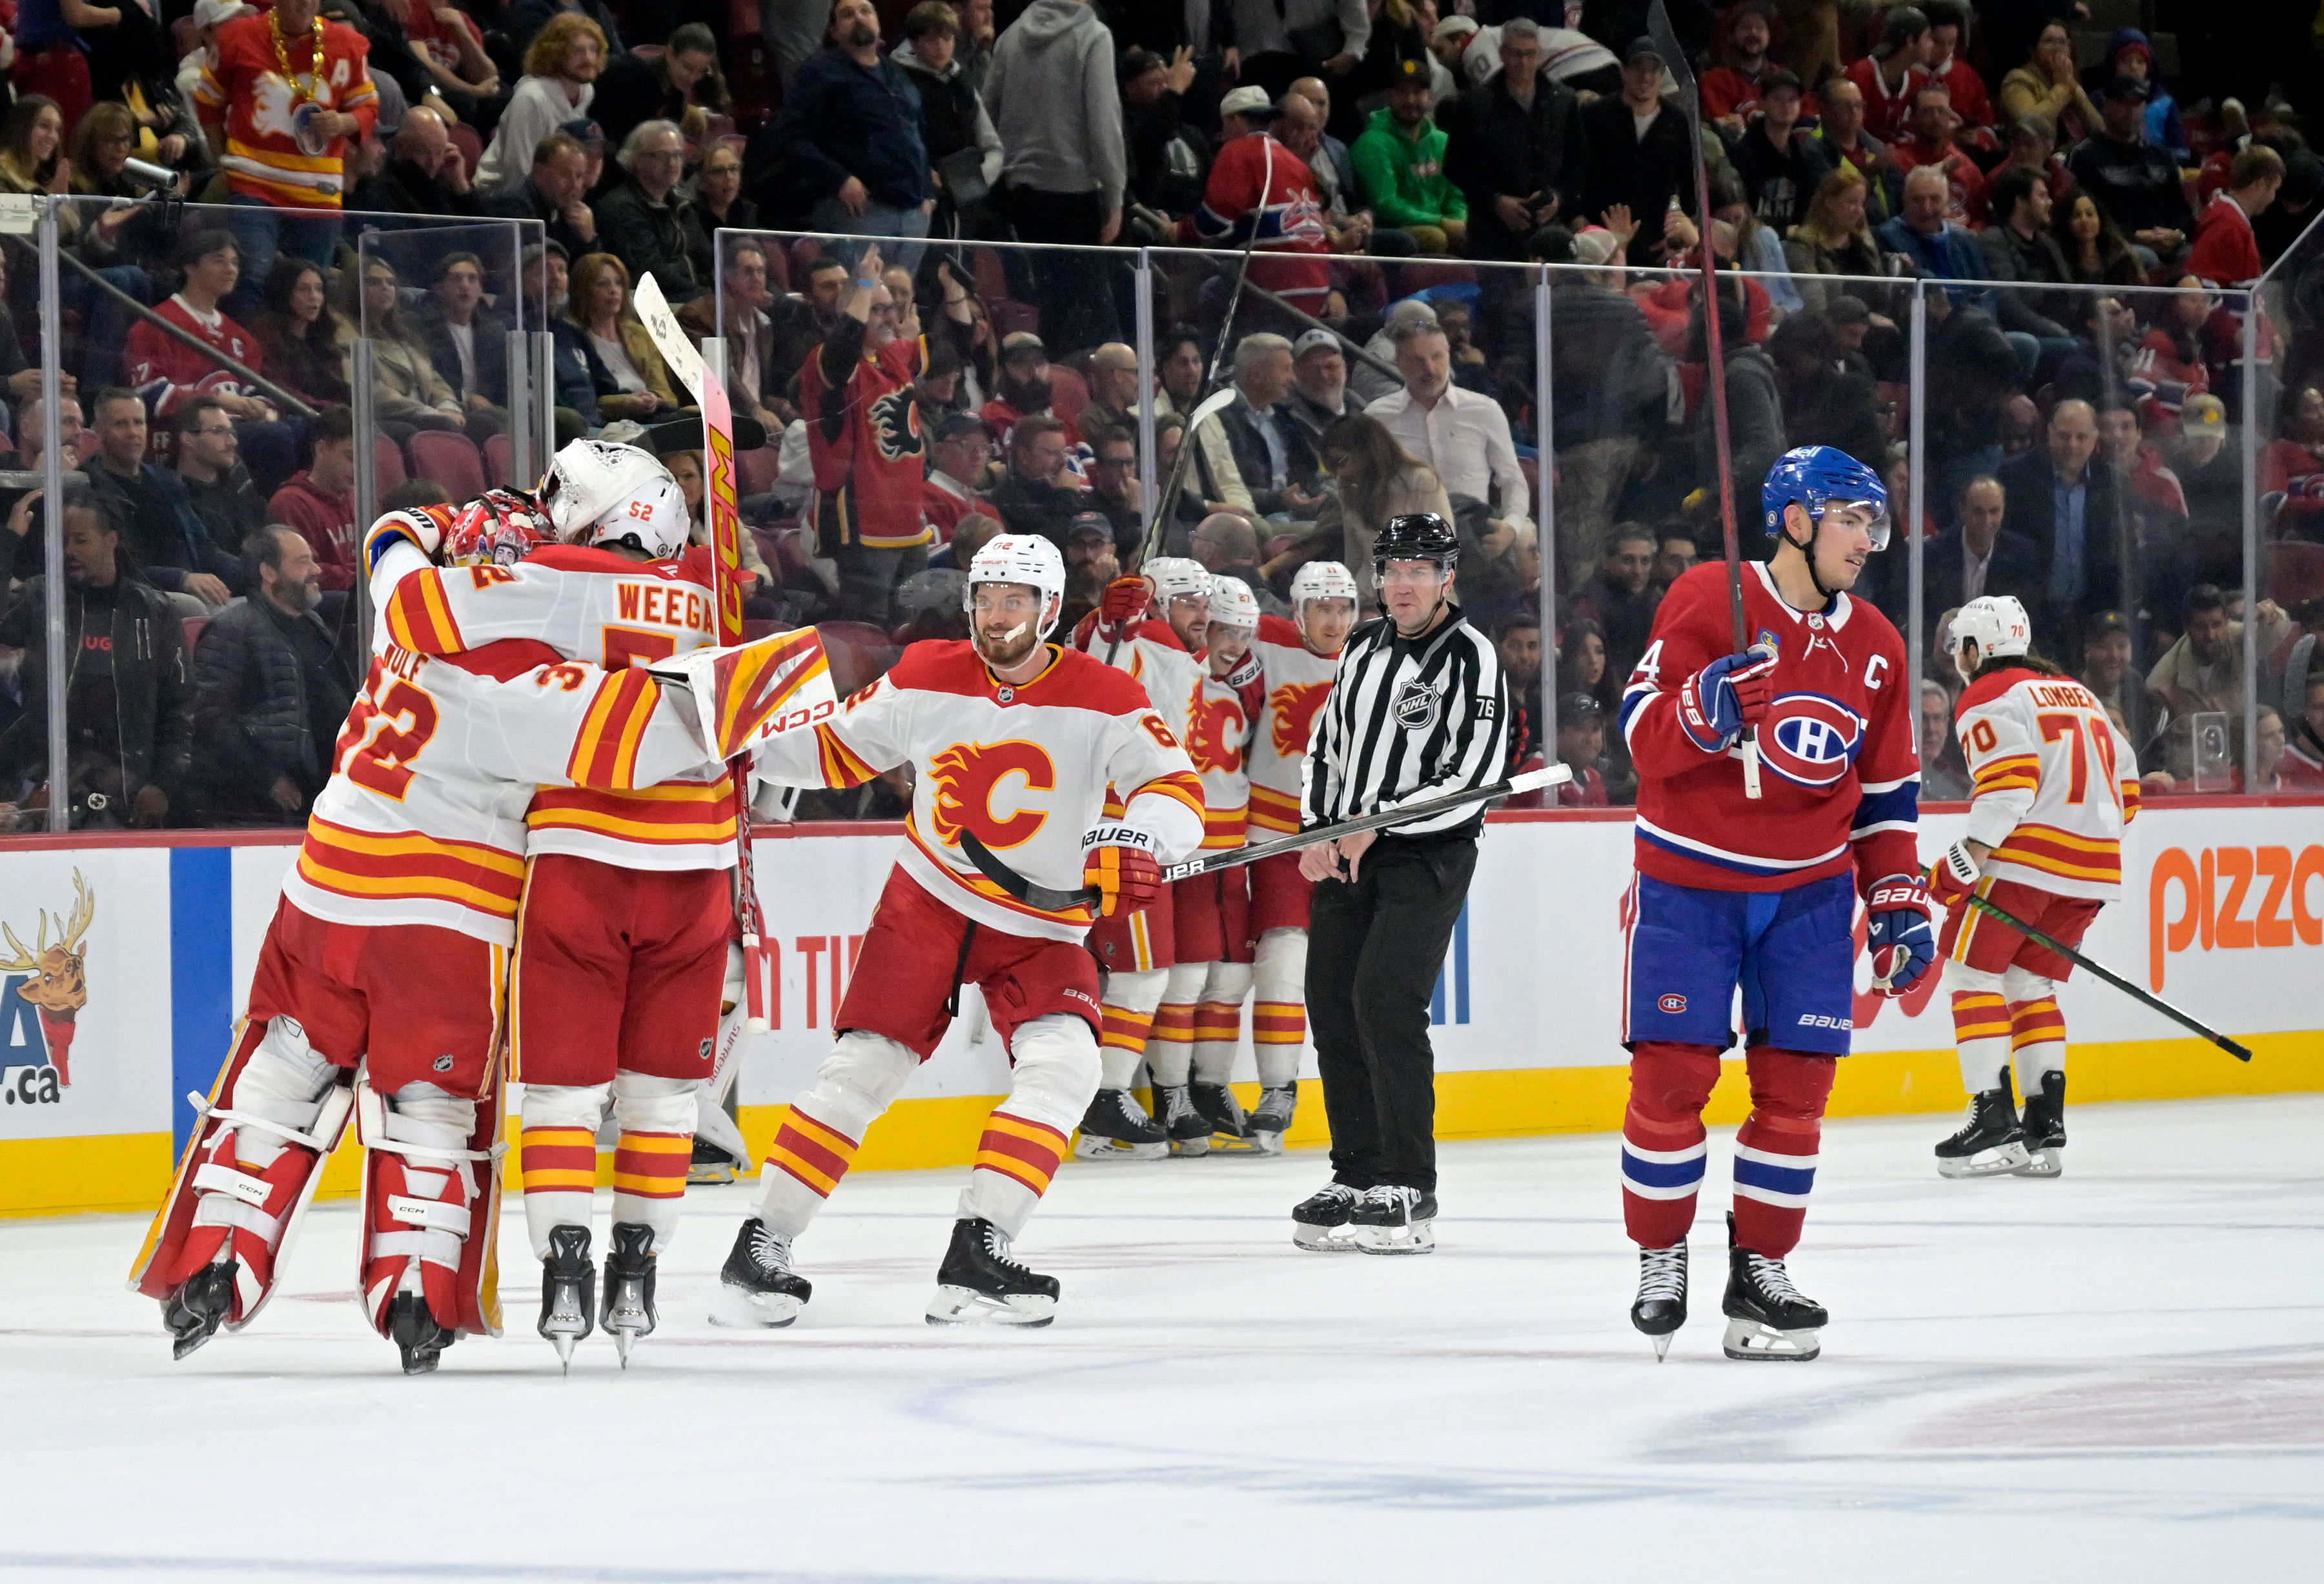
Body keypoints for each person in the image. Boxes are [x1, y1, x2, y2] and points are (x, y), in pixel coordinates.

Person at [134, 468, 782, 1372]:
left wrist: (437, 526)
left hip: (326, 878)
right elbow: (648, 745)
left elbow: (389, 546)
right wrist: (739, 695)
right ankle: (416, 1293)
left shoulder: (430, 599)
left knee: (284, 1065)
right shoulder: (537, 681)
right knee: (429, 1104)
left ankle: (216, 1256)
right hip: (449, 909)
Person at [713, 533, 1204, 1326]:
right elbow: (833, 751)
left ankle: (980, 1247)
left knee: (1069, 1066)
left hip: (1040, 926)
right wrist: (737, 738)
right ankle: (761, 1245)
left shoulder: (1106, 695)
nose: (996, 615)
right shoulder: (924, 674)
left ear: (1049, 610)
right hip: (929, 905)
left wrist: (1139, 839)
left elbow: (1173, 787)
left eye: (1015, 600)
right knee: (862, 1068)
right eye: (986, 597)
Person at [1616, 446, 1930, 1364]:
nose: (1868, 540)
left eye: (1875, 523)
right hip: (1689, 884)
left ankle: (1761, 1271)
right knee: (1672, 1083)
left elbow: (1886, 796)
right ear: (1796, 518)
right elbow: (1642, 733)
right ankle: (1661, 1252)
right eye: (1853, 519)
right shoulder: (1712, 597)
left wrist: (1898, 894)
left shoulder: (1877, 643)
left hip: (1809, 894)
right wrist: (1708, 709)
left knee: (1797, 1097)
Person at [1290, 512, 1508, 1254]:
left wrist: (1377, 822)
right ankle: (1356, 1172)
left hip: (1428, 852)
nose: (1404, 583)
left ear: (1448, 576)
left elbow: (1472, 777)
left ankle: (1410, 1183)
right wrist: (1321, 832)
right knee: (1332, 1001)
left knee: (1385, 1001)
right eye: (1392, 570)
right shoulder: (1363, 647)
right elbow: (1328, 745)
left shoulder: (1472, 657)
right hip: (1349, 847)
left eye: (1420, 570)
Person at [1926, 594, 2141, 1179]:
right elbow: (2129, 784)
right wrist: (2085, 839)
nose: (1959, 660)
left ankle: (1991, 1116)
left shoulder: (1986, 695)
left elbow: (2008, 786)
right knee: (2030, 982)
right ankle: (2045, 1126)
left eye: (1961, 648)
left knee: (1971, 974)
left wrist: (1962, 864)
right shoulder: (2078, 692)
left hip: (2024, 864)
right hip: (2094, 869)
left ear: (1977, 649)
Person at [1067, 555, 1212, 1158]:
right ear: (1159, 606)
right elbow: (1091, 661)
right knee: (1141, 971)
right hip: (1112, 826)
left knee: (1129, 971)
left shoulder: (1179, 654)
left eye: (1207, 602)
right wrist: (1109, 623)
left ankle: (1100, 1099)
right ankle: (1104, 1095)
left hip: (1139, 824)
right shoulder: (1142, 641)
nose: (1203, 614)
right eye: (1190, 601)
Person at [1227, 560, 1358, 1150]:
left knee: (1348, 975)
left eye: (1343, 608)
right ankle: (1279, 1090)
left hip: (1351, 838)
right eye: (1322, 609)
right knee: (1280, 959)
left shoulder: (1375, 659)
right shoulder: (1268, 643)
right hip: (1277, 837)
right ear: (1298, 612)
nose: (1334, 621)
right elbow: (1220, 669)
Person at [0, 490, 194, 828]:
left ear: (111, 540)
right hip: (41, 787)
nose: (69, 551)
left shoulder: (155, 613)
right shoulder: (40, 599)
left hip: (128, 790)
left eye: (80, 540)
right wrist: (9, 542)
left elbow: (178, 707)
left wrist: (162, 784)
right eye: (61, 541)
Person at [802, 243, 973, 623]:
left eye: (892, 309)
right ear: (854, 309)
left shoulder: (894, 356)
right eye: (877, 309)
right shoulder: (825, 362)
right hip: (860, 524)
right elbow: (845, 343)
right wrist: (863, 281)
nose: (890, 319)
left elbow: (958, 346)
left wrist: (954, 289)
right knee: (868, 626)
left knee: (909, 627)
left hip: (906, 523)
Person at [192, 0, 380, 316]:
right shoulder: (237, 36)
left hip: (319, 191)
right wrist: (222, 160)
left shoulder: (348, 44)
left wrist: (342, 122)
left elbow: (368, 109)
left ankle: (292, 363)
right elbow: (208, 102)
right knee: (249, 277)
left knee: (308, 290)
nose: (304, 3)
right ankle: (241, 358)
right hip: (253, 184)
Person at [187, 522, 357, 824]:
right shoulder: (231, 631)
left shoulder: (314, 625)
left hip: (327, 798)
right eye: (303, 562)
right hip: (259, 808)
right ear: (269, 573)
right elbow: (210, 718)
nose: (316, 570)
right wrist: (268, 779)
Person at [984, 0, 1126, 350]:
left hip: (1017, 192)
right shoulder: (1094, 35)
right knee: (1090, 315)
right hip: (1074, 192)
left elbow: (985, 110)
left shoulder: (1011, 35)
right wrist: (1115, 193)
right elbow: (1103, 120)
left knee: (1039, 305)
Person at [123, 230, 283, 463]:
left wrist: (260, 408)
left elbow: (257, 393)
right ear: (190, 267)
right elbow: (149, 395)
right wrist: (219, 400)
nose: (230, 270)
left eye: (235, 263)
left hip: (238, 433)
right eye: (219, 261)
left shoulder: (243, 338)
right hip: (185, 438)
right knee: (272, 436)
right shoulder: (154, 325)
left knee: (292, 429)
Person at [1183, 85, 1335, 323]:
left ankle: (1210, 359)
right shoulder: (1294, 161)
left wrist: (1180, 229)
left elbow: (1213, 223)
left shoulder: (1237, 150)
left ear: (1232, 119)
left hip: (1275, 291)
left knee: (1210, 291)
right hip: (1318, 288)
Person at [1366, 318, 1527, 533]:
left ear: (1449, 356)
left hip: (1472, 537)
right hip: (1406, 541)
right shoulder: (1377, 417)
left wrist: (1511, 527)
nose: (1430, 368)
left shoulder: (1484, 410)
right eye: (1418, 360)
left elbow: (1512, 480)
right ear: (1400, 361)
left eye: (1437, 357)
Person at [83, 387, 238, 610]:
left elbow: (203, 546)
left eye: (139, 423)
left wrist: (256, 570)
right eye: (120, 424)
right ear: (98, 431)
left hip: (190, 586)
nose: (133, 433)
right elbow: (118, 567)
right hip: (135, 598)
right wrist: (182, 579)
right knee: (197, 608)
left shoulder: (164, 480)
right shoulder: (91, 487)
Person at [1446, 18, 1585, 262]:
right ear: (1502, 54)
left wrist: (1558, 198)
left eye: (1530, 54)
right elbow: (1455, 166)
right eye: (1516, 54)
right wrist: (1496, 201)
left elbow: (1579, 162)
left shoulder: (1563, 100)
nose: (1523, 62)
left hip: (1548, 229)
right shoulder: (1475, 102)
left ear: (1540, 54)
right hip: (1492, 230)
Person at [1996, 399, 2123, 652]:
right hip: (2029, 614)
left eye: (2081, 437)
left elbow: (2119, 552)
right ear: (2050, 434)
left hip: (2089, 615)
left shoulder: (2113, 482)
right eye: (2064, 436)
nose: (2073, 445)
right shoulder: (2015, 477)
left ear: (2095, 438)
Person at [1310, 411, 1450, 603]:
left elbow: (1443, 553)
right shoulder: (1348, 489)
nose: (1340, 473)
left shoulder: (1419, 480)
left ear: (1367, 451)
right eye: (1333, 467)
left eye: (1341, 462)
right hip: (1368, 592)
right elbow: (1354, 558)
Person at [1577, 37, 1693, 265]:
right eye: (1639, 69)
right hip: (1600, 240)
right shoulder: (1594, 115)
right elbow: (1577, 171)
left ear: (1662, 76)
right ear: (1624, 72)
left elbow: (1689, 184)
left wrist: (1678, 239)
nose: (1646, 77)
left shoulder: (1678, 122)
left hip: (1655, 246)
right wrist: (1579, 222)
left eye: (1653, 70)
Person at [893, 2, 1002, 243]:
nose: (941, 46)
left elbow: (993, 145)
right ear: (914, 42)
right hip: (924, 193)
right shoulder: (899, 81)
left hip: (967, 193)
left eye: (947, 37)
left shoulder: (962, 80)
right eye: (932, 39)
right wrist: (925, 176)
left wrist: (978, 179)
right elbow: (898, 141)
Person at [338, 254, 470, 444]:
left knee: (487, 422)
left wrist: (448, 406)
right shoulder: (344, 333)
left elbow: (433, 379)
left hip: (427, 413)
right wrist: (431, 413)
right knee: (440, 428)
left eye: (391, 283)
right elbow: (372, 391)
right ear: (354, 289)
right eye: (374, 283)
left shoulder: (403, 332)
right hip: (385, 415)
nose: (385, 288)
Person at [2066, 77, 2193, 267]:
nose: (2130, 111)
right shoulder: (2085, 157)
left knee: (2196, 255)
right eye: (2122, 103)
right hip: (2115, 247)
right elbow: (2083, 217)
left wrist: (2178, 235)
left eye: (2137, 103)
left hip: (2168, 245)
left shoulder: (2162, 156)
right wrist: (2133, 237)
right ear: (2105, 104)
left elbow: (2182, 211)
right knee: (2142, 257)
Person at [475, 13, 606, 195]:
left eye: (593, 50)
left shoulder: (586, 92)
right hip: (500, 198)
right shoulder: (532, 98)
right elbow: (517, 172)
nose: (589, 59)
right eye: (578, 51)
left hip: (552, 193)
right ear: (555, 53)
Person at [1352, 57, 1467, 254]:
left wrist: (1459, 221)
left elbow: (1457, 193)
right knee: (1436, 238)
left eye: (1417, 92)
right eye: (1402, 92)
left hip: (1445, 225)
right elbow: (1386, 204)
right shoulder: (1372, 143)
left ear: (1430, 96)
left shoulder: (1443, 141)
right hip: (1395, 229)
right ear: (1389, 96)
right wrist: (1442, 223)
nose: (1410, 100)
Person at [596, 119, 713, 305]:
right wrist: (705, 296)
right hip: (654, 303)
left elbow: (707, 257)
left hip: (688, 297)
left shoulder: (682, 204)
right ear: (636, 160)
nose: (673, 163)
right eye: (662, 156)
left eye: (677, 155)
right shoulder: (623, 207)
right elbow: (651, 272)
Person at [1214, 333, 1324, 520]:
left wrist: (1326, 495)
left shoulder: (1283, 415)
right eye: (1286, 370)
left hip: (1295, 517)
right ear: (1257, 374)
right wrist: (1280, 500)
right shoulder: (1220, 418)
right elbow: (1227, 488)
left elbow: (1310, 473)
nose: (1293, 379)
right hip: (1256, 521)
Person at [567, 251, 682, 423]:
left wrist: (653, 399)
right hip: (610, 420)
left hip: (654, 414)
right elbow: (585, 398)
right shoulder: (573, 340)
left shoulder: (642, 335)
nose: (613, 290)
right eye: (602, 284)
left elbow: (666, 394)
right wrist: (625, 402)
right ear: (584, 291)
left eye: (619, 283)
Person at [1924, 474, 2042, 638]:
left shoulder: (2021, 555)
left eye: (1994, 511)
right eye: (1978, 512)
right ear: (1962, 510)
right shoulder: (1934, 553)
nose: (1987, 520)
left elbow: (2027, 617)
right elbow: (1926, 619)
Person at [414, 252, 511, 442]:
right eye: (456, 279)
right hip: (446, 409)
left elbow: (506, 382)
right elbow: (429, 380)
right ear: (439, 288)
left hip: (489, 408)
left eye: (472, 279)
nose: (465, 286)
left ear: (481, 289)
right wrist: (467, 398)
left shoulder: (493, 330)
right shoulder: (421, 328)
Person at [590, 22, 728, 153]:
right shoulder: (631, 75)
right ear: (669, 54)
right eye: (687, 68)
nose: (693, 78)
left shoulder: (676, 92)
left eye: (701, 71)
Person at [267, 404, 360, 592]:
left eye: (364, 459)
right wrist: (363, 576)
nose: (358, 469)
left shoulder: (359, 498)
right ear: (322, 449)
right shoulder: (290, 503)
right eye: (351, 458)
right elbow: (305, 571)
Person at [1731, 69, 1830, 237]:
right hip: (1754, 242)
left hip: (1794, 241)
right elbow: (1740, 214)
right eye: (1778, 99)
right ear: (1762, 103)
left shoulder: (1803, 157)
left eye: (1792, 100)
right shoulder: (1743, 152)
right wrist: (1784, 232)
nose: (1786, 106)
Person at [172, 398, 269, 562]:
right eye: (218, 431)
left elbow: (260, 526)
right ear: (187, 439)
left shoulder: (235, 472)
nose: (232, 442)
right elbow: (207, 557)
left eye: (232, 433)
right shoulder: (173, 491)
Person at [484, 131, 602, 261]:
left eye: (579, 176)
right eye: (565, 175)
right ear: (539, 172)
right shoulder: (512, 208)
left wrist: (589, 239)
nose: (575, 185)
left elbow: (582, 274)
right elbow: (536, 269)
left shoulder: (567, 210)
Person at [1570, 522, 1662, 687]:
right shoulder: (1589, 603)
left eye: (1645, 561)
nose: (1638, 570)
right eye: (1628, 560)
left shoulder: (1654, 602)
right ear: (1606, 561)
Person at [251, 259, 351, 412]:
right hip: (295, 415)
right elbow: (275, 387)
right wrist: (325, 408)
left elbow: (337, 387)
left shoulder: (322, 335)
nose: (314, 297)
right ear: (284, 292)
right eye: (303, 289)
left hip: (330, 416)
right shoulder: (264, 334)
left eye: (319, 289)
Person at [1885, 81, 1982, 228]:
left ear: (1950, 117)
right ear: (1913, 117)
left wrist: (1975, 234)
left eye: (1941, 111)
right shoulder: (1898, 163)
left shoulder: (1967, 167)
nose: (1936, 118)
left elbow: (1982, 218)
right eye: (1927, 112)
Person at [355, 104, 479, 218]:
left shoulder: (445, 177)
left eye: (439, 152)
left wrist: (461, 185)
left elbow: (484, 234)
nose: (434, 163)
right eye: (424, 152)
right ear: (400, 146)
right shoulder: (384, 190)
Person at [2186, 146, 2284, 290]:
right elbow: (2203, 290)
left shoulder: (2228, 217)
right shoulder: (2229, 225)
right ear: (2260, 185)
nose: (2273, 198)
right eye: (2274, 190)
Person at [986, 414, 1088, 548]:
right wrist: (1068, 494)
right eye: (1053, 453)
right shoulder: (1008, 497)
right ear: (1024, 456)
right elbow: (1048, 544)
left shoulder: (1058, 488)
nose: (1063, 461)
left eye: (1064, 452)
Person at [1841, 4, 1931, 146]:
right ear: (1910, 41)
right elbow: (1847, 131)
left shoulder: (1916, 80)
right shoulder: (1859, 76)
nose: (1931, 45)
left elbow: (1913, 130)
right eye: (1928, 38)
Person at [1999, 18, 2096, 147]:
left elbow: (2100, 131)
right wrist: (2062, 87)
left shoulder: (2068, 78)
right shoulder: (2018, 80)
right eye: (2049, 41)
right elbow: (2031, 125)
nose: (2057, 48)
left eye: (2063, 42)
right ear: (2033, 50)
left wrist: (2075, 90)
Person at [1809, 78, 1888, 223]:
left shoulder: (1876, 146)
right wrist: (1869, 174)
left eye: (1858, 105)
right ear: (1825, 109)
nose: (1854, 112)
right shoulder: (1813, 150)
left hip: (1884, 231)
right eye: (1845, 106)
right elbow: (1833, 197)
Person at [2052, 185, 2145, 291]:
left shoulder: (2118, 255)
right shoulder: (2059, 257)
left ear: (2100, 218)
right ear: (2067, 222)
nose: (2085, 220)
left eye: (2090, 214)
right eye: (2077, 216)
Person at [1285, 329, 1349, 445]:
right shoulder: (1289, 420)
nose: (1324, 376)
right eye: (1312, 370)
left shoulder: (1359, 406)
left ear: (1344, 368)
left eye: (1331, 367)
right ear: (1295, 373)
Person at [1917, 678, 1971, 798]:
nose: (1931, 729)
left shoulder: (1958, 785)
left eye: (1937, 718)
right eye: (1923, 718)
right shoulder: (1895, 779)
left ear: (1947, 724)